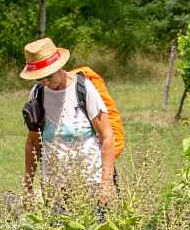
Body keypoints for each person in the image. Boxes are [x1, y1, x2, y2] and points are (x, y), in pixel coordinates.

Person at [20, 36, 117, 205]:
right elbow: (33, 143)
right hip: (53, 188)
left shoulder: (84, 89)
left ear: (60, 67)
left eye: (49, 76)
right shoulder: (37, 94)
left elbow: (107, 136)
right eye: (39, 78)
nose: (45, 82)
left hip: (89, 184)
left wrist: (106, 184)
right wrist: (28, 187)